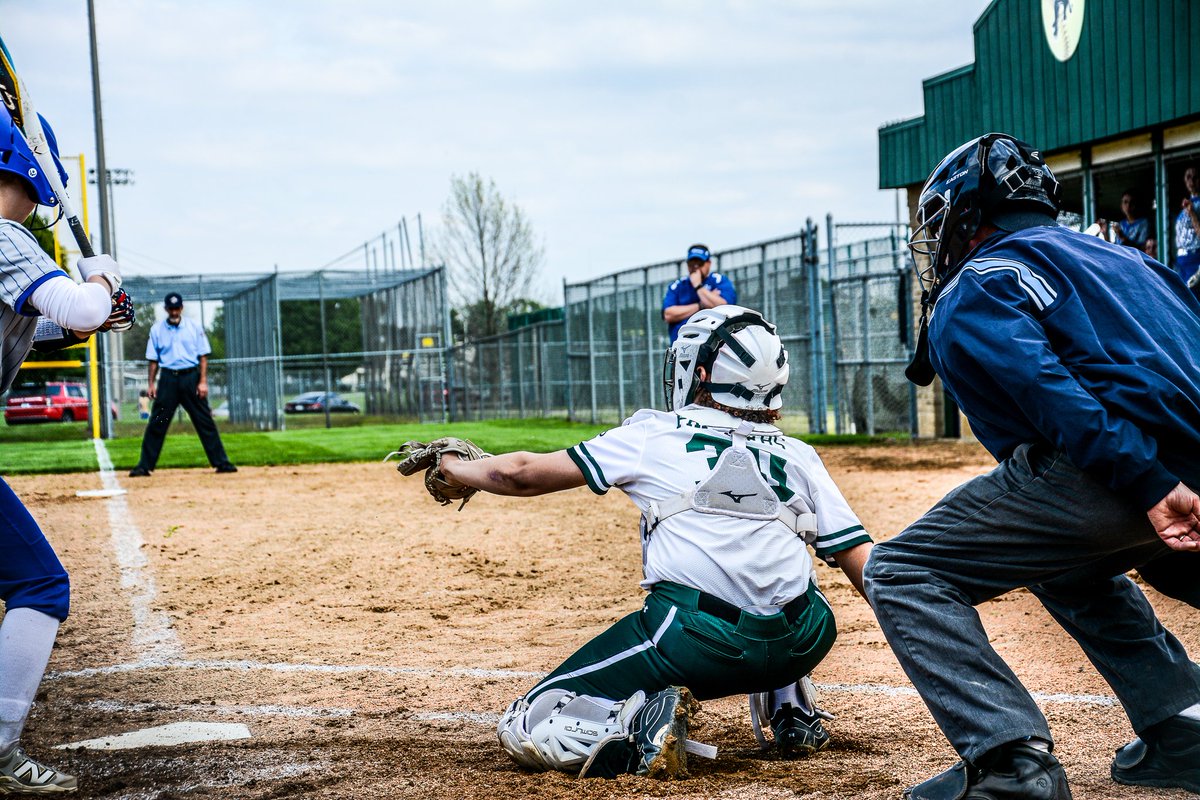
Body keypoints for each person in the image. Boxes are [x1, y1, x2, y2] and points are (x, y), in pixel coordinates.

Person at [865, 133, 1200, 799]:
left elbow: (1052, 393)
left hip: (1133, 474)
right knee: (1066, 567)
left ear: (966, 216)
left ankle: (1011, 764)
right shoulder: (1134, 263)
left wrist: (1151, 483)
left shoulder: (979, 279)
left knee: (903, 569)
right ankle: (1184, 729)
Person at [425, 305, 873, 779]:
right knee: (785, 575)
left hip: (695, 642)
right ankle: (792, 710)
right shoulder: (800, 455)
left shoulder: (651, 433)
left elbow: (518, 475)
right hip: (805, 640)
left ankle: (641, 729)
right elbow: (862, 564)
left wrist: (453, 466)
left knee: (529, 722)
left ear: (700, 374)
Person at [0, 105, 132, 794]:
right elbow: (77, 307)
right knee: (39, 584)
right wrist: (100, 280)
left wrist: (91, 311)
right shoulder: (2, 234)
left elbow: (52, 321)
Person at [128, 292, 236, 477]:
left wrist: (203, 382)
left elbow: (203, 357)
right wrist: (151, 384)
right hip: (168, 379)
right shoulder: (157, 330)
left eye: (177, 308)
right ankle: (144, 466)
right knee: (158, 422)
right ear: (166, 309)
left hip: (190, 379)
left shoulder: (194, 327)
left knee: (204, 421)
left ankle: (221, 462)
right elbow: (153, 360)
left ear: (182, 308)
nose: (174, 311)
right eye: (171, 308)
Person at [662, 244, 736, 342]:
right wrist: (701, 305)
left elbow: (724, 307)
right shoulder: (678, 285)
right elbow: (668, 314)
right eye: (691, 264)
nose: (695, 268)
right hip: (682, 345)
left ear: (708, 263)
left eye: (699, 263)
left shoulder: (719, 281)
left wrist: (698, 286)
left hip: (714, 346)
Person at [1174, 166, 1200, 282]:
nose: (1192, 181)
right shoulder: (1185, 206)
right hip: (1181, 260)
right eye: (1188, 177)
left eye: (1196, 177)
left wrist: (1193, 214)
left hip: (1195, 257)